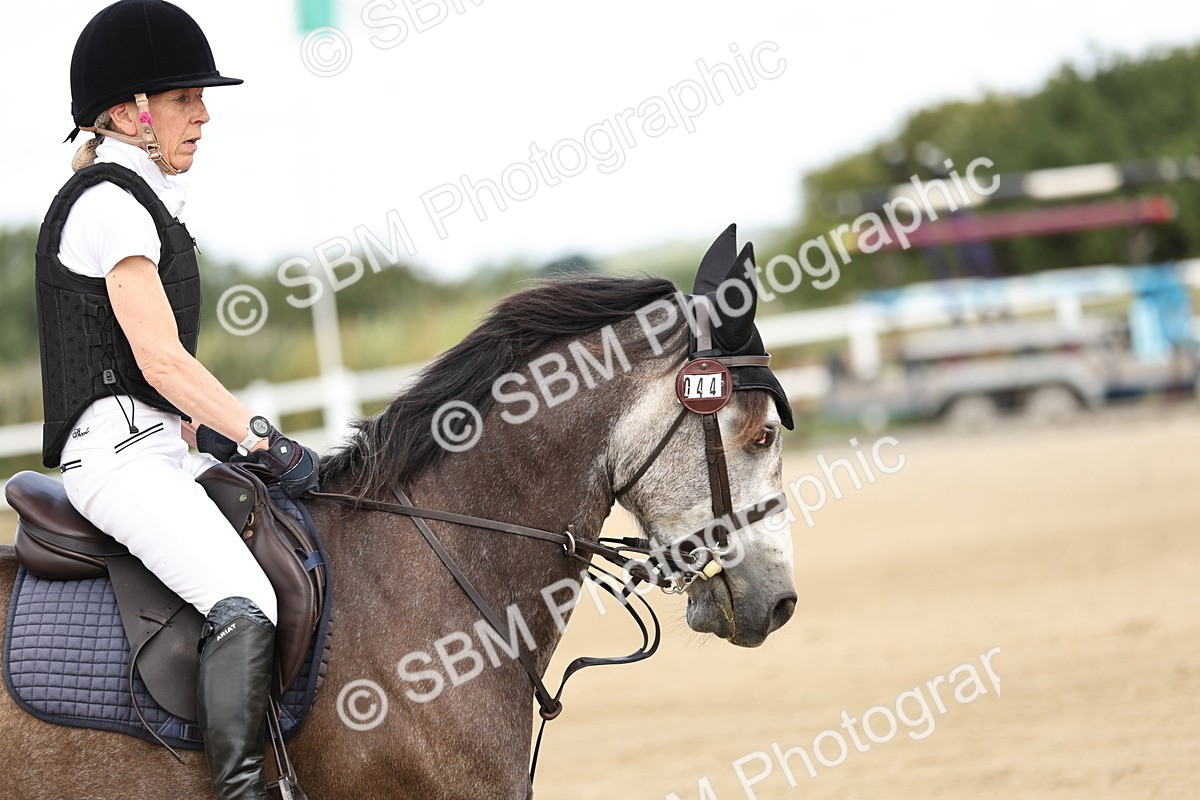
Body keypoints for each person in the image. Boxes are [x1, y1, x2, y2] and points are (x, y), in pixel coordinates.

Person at [36, 2, 320, 797]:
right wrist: (265, 439)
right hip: (117, 462)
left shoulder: (144, 201)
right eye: (186, 99)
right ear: (131, 113)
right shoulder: (109, 205)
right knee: (247, 598)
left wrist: (210, 433)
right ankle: (240, 789)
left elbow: (142, 367)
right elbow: (161, 359)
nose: (204, 114)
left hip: (159, 448)